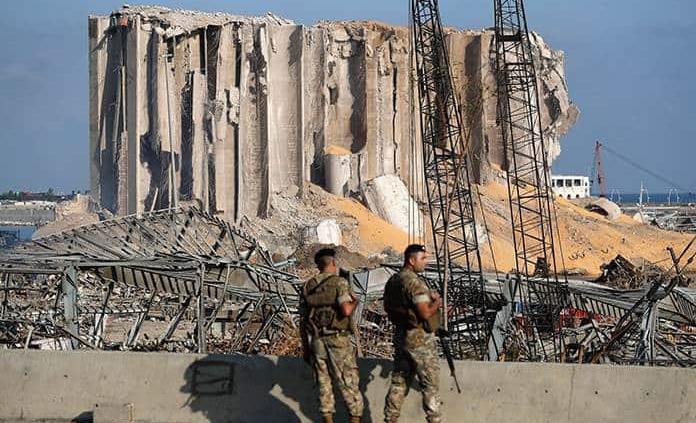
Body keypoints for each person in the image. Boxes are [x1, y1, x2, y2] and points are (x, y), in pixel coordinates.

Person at [299, 248, 364, 423]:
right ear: (334, 263)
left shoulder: (307, 286)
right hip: (338, 340)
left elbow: (303, 321)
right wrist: (356, 301)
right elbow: (346, 310)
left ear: (318, 265)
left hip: (317, 341)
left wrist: (306, 348)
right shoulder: (339, 283)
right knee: (349, 383)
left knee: (323, 384)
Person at [382, 244, 443, 423]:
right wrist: (437, 303)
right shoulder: (414, 282)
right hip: (420, 340)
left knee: (399, 382)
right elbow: (424, 313)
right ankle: (434, 419)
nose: (426, 262)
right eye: (422, 258)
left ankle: (390, 419)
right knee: (430, 384)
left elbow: (387, 307)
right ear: (411, 260)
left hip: (402, 337)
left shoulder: (394, 280)